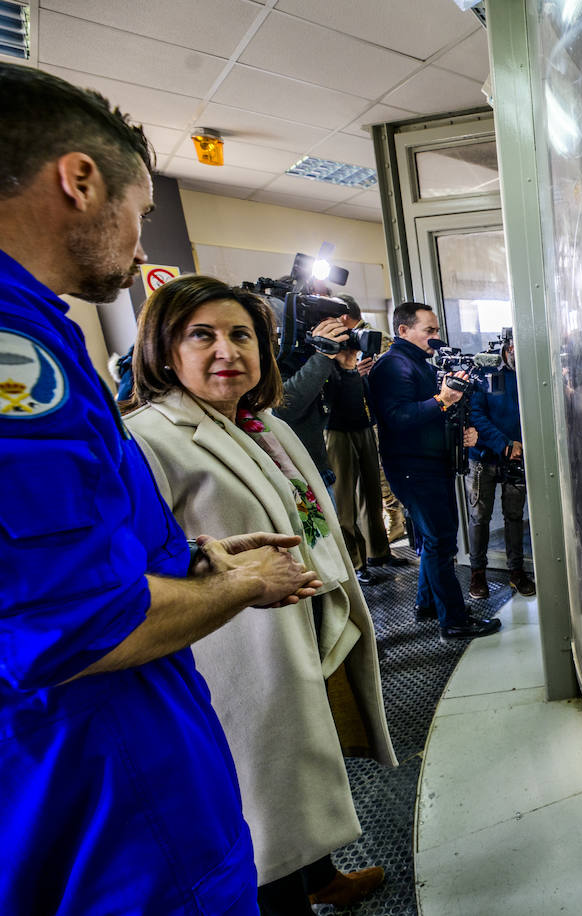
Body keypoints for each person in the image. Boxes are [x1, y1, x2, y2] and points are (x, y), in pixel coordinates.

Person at [0, 64, 319, 914]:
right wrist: (246, 584)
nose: (143, 246)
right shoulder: (15, 353)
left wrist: (194, 556)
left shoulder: (41, 330)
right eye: (140, 212)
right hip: (106, 786)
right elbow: (70, 623)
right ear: (79, 179)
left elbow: (81, 540)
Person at [123, 275, 397, 914]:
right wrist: (229, 580)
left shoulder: (262, 421)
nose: (228, 351)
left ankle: (323, 875)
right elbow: (142, 567)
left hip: (308, 619)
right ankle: (289, 896)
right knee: (263, 797)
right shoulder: (147, 439)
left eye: (242, 335)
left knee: (303, 767)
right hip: (238, 648)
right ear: (165, 351)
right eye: (203, 336)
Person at [368, 301, 501, 639]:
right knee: (442, 544)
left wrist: (463, 430)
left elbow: (434, 413)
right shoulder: (393, 366)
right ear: (403, 331)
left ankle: (429, 604)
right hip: (415, 468)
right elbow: (398, 419)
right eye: (429, 330)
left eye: (437, 330)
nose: (436, 337)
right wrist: (444, 400)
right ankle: (454, 622)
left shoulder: (417, 364)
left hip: (428, 465)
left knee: (434, 540)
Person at [325, 294, 409, 582]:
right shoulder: (321, 349)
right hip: (335, 428)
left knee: (373, 495)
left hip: (362, 424)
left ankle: (379, 552)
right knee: (345, 501)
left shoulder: (361, 340)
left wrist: (357, 375)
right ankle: (356, 564)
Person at [468, 333, 536, 598]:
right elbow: (476, 415)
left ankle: (517, 572)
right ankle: (477, 574)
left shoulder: (531, 374)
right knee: (480, 517)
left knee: (515, 516)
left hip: (517, 458)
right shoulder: (484, 372)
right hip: (484, 457)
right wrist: (505, 444)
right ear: (509, 348)